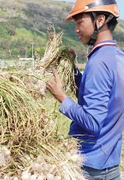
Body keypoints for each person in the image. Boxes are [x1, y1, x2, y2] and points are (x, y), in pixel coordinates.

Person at [46, 0, 124, 179]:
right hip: (110, 164)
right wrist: (73, 70)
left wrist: (61, 97)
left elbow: (93, 122)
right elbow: (101, 95)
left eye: (80, 22)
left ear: (100, 20)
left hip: (90, 167)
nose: (76, 29)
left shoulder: (98, 62)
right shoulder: (117, 57)